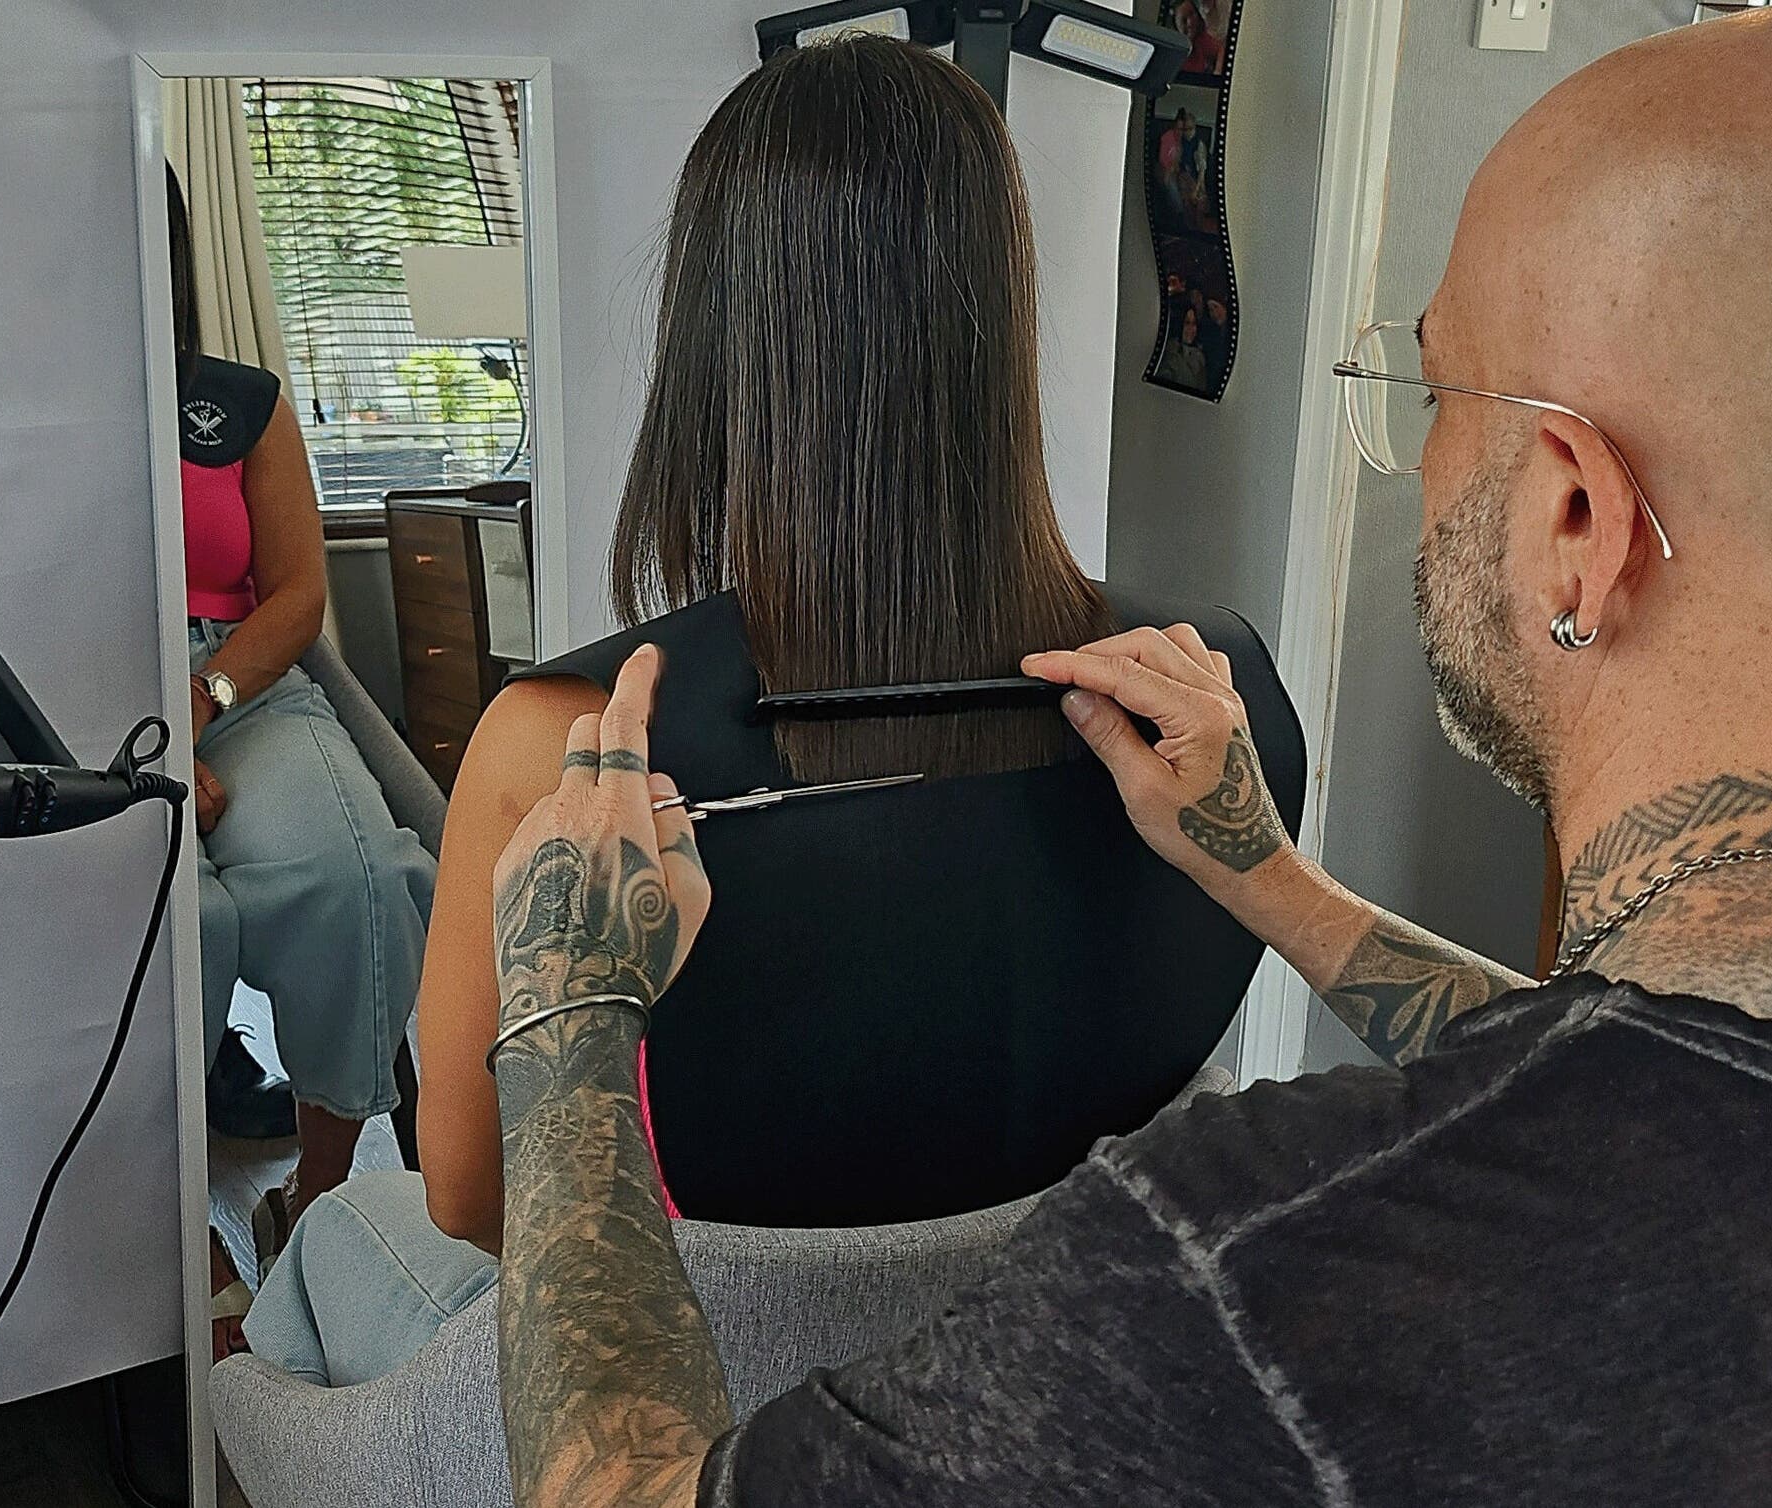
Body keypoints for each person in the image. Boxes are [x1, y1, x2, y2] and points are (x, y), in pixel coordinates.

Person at [479, 10, 1772, 1505]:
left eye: (1431, 393)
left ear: (1573, 518)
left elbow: (483, 1229)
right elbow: (1627, 1094)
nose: (1419, 459)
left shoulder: (1242, 1273)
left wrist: (570, 1017)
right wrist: (1271, 878)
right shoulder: (1687, 1097)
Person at [239, 36, 1303, 1387]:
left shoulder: (562, 749)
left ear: (716, 339)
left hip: (680, 1399)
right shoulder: (1213, 701)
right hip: (1053, 1365)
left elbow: (471, 1205)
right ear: (1000, 308)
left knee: (334, 1252)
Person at [164, 167, 438, 1354]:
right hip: (69, 688)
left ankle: (314, 1198)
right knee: (188, 922)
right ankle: (166, 1240)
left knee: (362, 874)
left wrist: (200, 695)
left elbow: (300, 594)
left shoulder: (240, 403)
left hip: (239, 678)